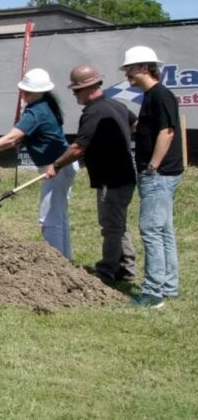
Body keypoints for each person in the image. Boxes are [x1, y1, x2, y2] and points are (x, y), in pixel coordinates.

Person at [0, 69, 78, 259]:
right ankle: (65, 260)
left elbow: (12, 137)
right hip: (63, 163)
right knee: (59, 216)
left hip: (56, 166)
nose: (24, 94)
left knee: (49, 218)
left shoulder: (36, 111)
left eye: (28, 92)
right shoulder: (46, 104)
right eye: (23, 90)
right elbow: (21, 138)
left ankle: (56, 263)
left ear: (40, 92)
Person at [46, 65, 137, 286]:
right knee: (117, 223)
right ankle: (125, 267)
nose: (75, 94)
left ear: (90, 87)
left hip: (112, 178)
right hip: (124, 175)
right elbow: (134, 124)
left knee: (111, 226)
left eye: (77, 90)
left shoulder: (94, 112)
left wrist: (56, 165)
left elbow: (78, 147)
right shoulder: (117, 105)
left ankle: (106, 272)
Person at [121, 46, 184, 308]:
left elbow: (167, 132)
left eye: (130, 69)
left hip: (159, 175)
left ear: (145, 68)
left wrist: (153, 166)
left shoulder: (160, 95)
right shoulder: (151, 96)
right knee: (164, 230)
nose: (127, 74)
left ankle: (153, 293)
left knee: (151, 231)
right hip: (162, 174)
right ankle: (169, 286)